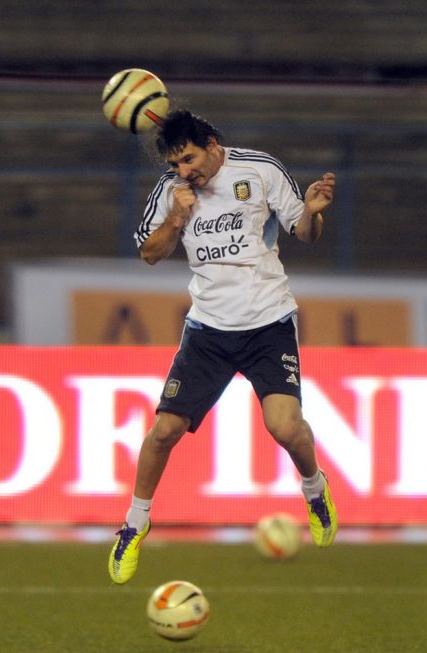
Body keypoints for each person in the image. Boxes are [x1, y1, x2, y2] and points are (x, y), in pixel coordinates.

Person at [108, 109, 337, 585]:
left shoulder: (260, 170)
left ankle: (315, 489)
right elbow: (149, 254)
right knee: (163, 430)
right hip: (208, 330)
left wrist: (312, 214)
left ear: (212, 144)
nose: (184, 171)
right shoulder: (171, 194)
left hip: (267, 323)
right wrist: (175, 216)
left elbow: (305, 233)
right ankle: (134, 524)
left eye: (189, 159)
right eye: (175, 165)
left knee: (285, 428)